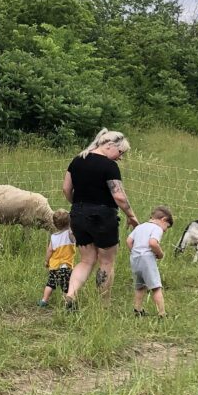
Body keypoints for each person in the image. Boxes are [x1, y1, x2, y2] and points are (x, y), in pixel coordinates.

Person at [62, 128, 138, 309]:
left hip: (78, 215)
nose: (120, 158)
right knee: (106, 261)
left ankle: (70, 295)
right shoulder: (109, 166)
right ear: (109, 145)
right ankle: (103, 305)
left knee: (86, 260)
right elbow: (119, 196)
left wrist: (79, 206)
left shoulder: (77, 160)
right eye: (120, 152)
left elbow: (66, 189)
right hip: (103, 218)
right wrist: (131, 215)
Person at [127, 206, 173, 318]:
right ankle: (162, 313)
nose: (165, 230)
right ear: (163, 220)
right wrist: (160, 254)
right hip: (147, 259)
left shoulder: (140, 227)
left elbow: (128, 241)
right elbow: (152, 243)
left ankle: (137, 310)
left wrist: (135, 252)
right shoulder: (157, 228)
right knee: (156, 287)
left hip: (135, 258)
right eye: (167, 226)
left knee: (140, 286)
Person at [38, 209, 76, 307]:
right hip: (65, 267)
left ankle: (44, 300)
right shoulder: (70, 234)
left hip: (54, 267)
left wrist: (46, 261)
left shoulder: (53, 237)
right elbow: (75, 238)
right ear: (69, 223)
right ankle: (67, 303)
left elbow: (50, 250)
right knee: (66, 287)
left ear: (55, 225)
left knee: (50, 284)